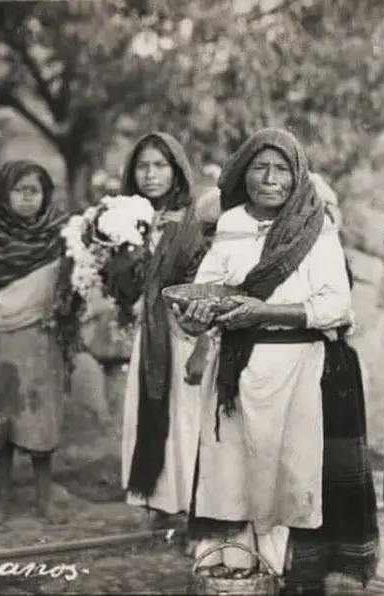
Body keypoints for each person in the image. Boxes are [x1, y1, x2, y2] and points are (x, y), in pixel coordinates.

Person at [177, 128, 379, 593]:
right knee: (235, 471)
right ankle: (241, 568)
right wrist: (195, 315)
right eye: (259, 168)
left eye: (281, 169)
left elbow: (336, 307)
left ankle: (289, 571)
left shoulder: (316, 230)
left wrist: (263, 311)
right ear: (242, 173)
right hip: (236, 369)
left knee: (288, 473)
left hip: (297, 367)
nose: (270, 179)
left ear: (298, 175)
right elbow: (207, 290)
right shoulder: (229, 226)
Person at [0, 160, 68, 520]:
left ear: (45, 195)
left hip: (42, 339)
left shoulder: (60, 240)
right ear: (4, 196)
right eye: (19, 190)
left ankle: (45, 499)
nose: (27, 198)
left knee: (42, 420)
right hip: (3, 344)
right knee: (3, 423)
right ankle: (2, 497)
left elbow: (70, 292)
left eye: (34, 191)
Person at [120, 133, 214, 530]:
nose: (150, 174)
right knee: (150, 412)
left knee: (184, 418)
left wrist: (200, 339)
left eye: (160, 165)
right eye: (143, 166)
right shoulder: (125, 220)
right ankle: (157, 500)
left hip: (182, 334)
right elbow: (123, 287)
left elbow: (206, 283)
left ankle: (190, 502)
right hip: (149, 335)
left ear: (176, 171)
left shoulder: (193, 222)